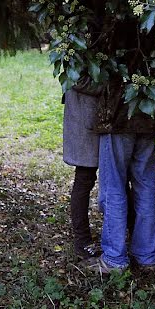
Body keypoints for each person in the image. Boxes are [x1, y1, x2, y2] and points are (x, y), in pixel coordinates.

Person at [85, 24, 155, 274]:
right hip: (149, 113)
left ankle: (114, 258)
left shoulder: (114, 23)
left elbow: (100, 69)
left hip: (119, 116)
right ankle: (145, 255)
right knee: (144, 186)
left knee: (114, 188)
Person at [62, 81, 102, 259]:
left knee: (120, 179)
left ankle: (131, 236)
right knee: (84, 180)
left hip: (98, 117)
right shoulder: (74, 54)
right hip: (84, 119)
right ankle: (82, 240)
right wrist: (113, 83)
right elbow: (77, 79)